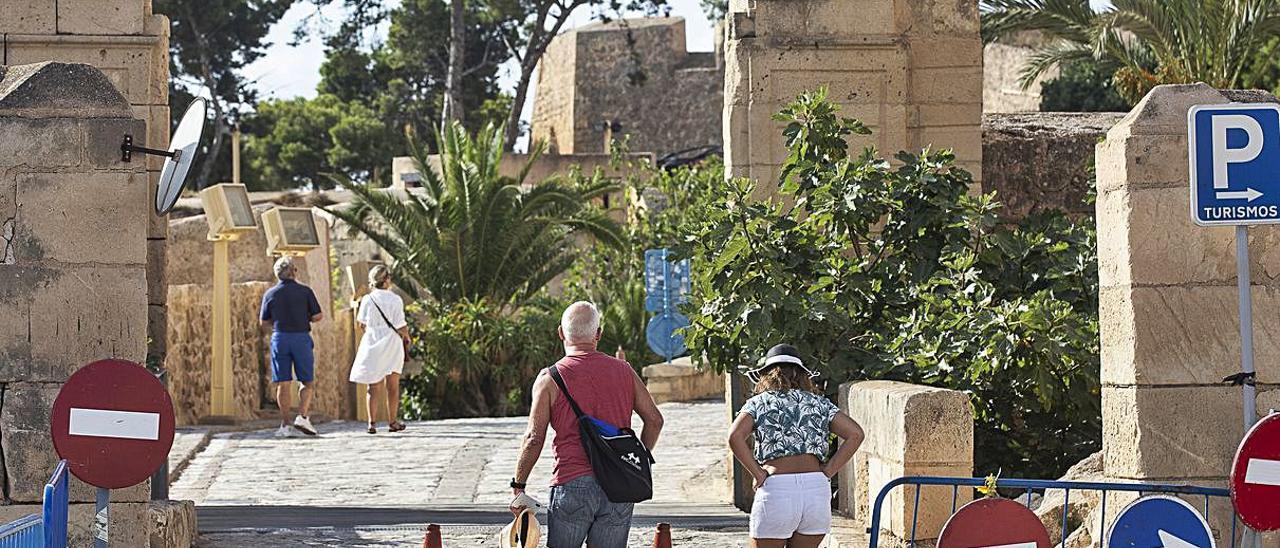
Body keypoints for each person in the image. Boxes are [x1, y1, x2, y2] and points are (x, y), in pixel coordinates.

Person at [509, 301, 665, 548]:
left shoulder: (549, 378)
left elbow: (533, 438)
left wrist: (519, 485)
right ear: (598, 334)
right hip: (618, 483)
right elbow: (655, 421)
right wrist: (635, 460)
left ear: (561, 333)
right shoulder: (624, 371)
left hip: (572, 482)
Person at [728, 344, 865, 548]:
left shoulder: (759, 403)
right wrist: (828, 471)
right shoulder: (820, 403)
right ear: (802, 375)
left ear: (766, 375)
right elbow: (855, 434)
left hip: (777, 490)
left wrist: (758, 473)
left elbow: (734, 436)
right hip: (816, 490)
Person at [259, 256, 324, 438]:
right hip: (301, 338)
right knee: (306, 381)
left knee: (283, 382)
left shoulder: (270, 294)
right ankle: (302, 416)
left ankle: (285, 424)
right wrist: (305, 317)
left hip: (280, 338)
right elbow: (318, 315)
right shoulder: (305, 292)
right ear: (294, 272)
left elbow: (263, 322)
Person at [348, 265, 411, 434]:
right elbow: (401, 325)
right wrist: (407, 337)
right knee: (392, 386)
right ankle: (392, 421)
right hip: (392, 342)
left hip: (373, 341)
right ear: (387, 280)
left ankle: (372, 423)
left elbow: (361, 323)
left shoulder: (367, 299)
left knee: (373, 385)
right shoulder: (396, 299)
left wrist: (374, 330)